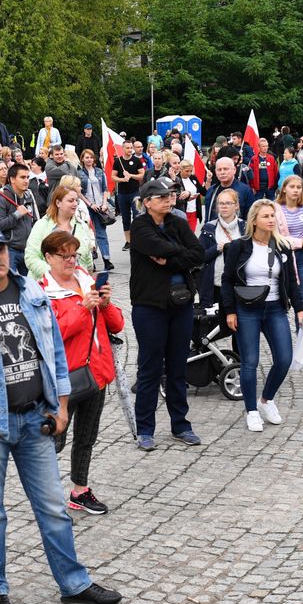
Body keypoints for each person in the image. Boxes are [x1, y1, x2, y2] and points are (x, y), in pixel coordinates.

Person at [0, 224, 122, 604]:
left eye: (1, 248)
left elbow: (53, 352)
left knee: (54, 508)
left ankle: (73, 582)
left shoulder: (31, 293)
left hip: (36, 420)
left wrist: (62, 405)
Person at [39, 230, 123, 514]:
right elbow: (50, 336)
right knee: (54, 441)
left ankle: (80, 491)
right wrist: (81, 309)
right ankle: (47, 497)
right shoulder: (42, 292)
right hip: (63, 380)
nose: (71, 260)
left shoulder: (86, 280)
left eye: (74, 254)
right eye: (64, 255)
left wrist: (106, 303)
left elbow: (117, 325)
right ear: (48, 258)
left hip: (95, 373)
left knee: (87, 437)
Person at [129, 178, 205, 451]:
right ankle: (145, 429)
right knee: (149, 370)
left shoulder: (178, 222)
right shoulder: (139, 226)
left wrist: (172, 259)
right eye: (162, 197)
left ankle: (180, 425)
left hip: (181, 304)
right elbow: (155, 247)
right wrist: (178, 251)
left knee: (177, 368)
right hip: (149, 306)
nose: (169, 200)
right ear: (147, 202)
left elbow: (198, 254)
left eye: (170, 195)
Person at [221, 200, 303, 432]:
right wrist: (229, 311)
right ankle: (251, 411)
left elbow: (291, 282)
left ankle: (266, 400)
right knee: (250, 362)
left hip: (275, 309)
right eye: (266, 216)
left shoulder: (282, 246)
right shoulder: (240, 246)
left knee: (284, 359)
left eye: (273, 216)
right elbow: (227, 280)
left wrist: (300, 308)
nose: (271, 220)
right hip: (247, 309)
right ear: (254, 220)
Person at [274, 176, 303, 318]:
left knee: (302, 302)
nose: (295, 190)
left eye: (298, 188)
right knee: (282, 300)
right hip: (283, 258)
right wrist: (299, 242)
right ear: (284, 189)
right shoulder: (275, 209)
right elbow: (274, 235)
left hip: (302, 259)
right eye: (292, 187)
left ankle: (302, 336)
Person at [25, 185, 94, 279]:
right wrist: (52, 275)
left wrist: (89, 281)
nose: (75, 204)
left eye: (76, 200)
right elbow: (31, 257)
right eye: (70, 201)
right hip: (46, 286)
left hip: (76, 284)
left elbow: (87, 259)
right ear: (58, 203)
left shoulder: (82, 226)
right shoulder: (41, 225)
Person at [0, 163, 41, 276]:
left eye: (28, 177)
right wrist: (16, 215)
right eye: (22, 177)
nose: (26, 181)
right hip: (8, 250)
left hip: (28, 249)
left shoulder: (28, 194)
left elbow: (36, 221)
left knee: (30, 286)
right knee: (8, 286)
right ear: (12, 179)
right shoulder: (2, 197)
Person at [198, 189, 244, 308]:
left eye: (228, 203)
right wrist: (217, 248)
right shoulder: (209, 228)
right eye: (221, 203)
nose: (224, 206)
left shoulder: (245, 228)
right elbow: (199, 257)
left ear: (236, 206)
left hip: (240, 285)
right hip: (214, 285)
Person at [78, 149, 113, 270]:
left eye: (91, 157)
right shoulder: (79, 173)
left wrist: (104, 203)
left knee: (101, 233)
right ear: (82, 159)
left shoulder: (99, 172)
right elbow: (79, 192)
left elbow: (105, 189)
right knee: (88, 234)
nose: (89, 159)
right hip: (86, 207)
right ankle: (90, 260)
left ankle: (106, 259)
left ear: (94, 159)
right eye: (86, 157)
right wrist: (89, 204)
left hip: (99, 207)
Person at [112, 139, 145, 250]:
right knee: (125, 219)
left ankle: (138, 239)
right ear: (123, 148)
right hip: (122, 194)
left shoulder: (136, 161)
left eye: (131, 148)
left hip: (135, 193)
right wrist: (122, 179)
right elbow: (113, 177)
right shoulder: (118, 161)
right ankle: (128, 241)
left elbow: (142, 175)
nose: (130, 150)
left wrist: (131, 175)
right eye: (128, 148)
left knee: (138, 216)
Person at [203, 157, 256, 223]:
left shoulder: (245, 191)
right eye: (219, 170)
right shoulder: (212, 190)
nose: (222, 172)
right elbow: (208, 217)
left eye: (226, 169)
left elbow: (250, 217)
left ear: (234, 170)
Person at [172, 158, 203, 232]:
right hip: (182, 211)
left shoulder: (193, 178)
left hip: (193, 212)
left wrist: (208, 180)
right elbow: (174, 197)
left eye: (191, 171)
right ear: (180, 169)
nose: (189, 173)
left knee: (191, 235)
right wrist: (187, 196)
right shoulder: (176, 179)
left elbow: (203, 191)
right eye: (187, 171)